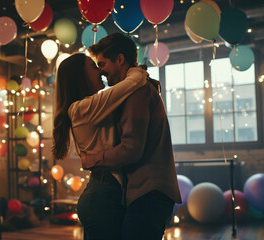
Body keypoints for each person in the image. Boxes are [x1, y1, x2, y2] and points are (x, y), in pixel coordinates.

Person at [82, 33, 182, 240]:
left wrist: (92, 160)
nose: (100, 71)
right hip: (146, 192)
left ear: (120, 59)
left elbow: (131, 149)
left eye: (102, 64)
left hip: (149, 192)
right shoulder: (136, 88)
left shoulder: (136, 91)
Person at [52, 53, 148, 240]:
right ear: (80, 76)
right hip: (103, 196)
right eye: (94, 67)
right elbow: (135, 80)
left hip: (102, 193)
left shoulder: (90, 106)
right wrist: (134, 68)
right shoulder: (82, 107)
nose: (101, 70)